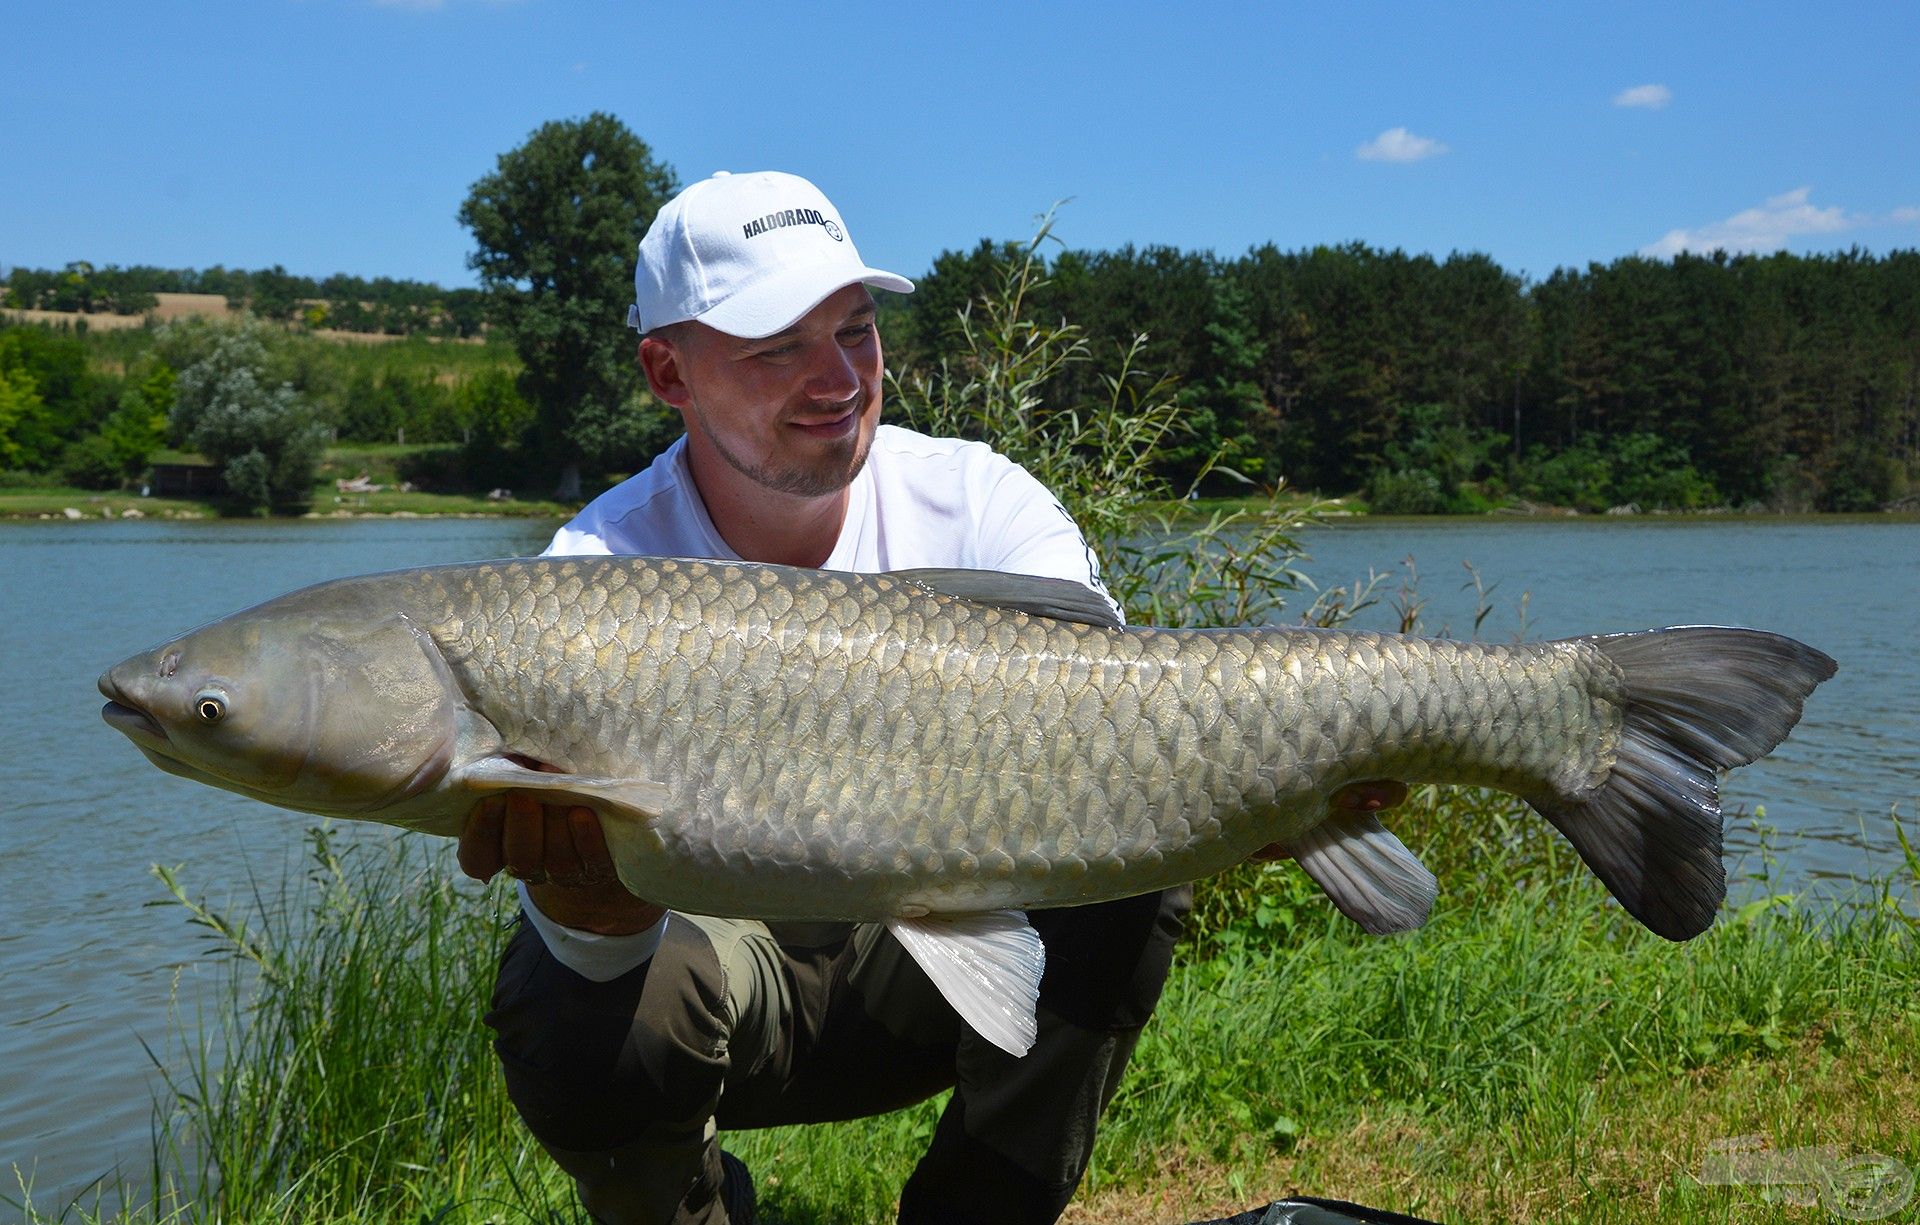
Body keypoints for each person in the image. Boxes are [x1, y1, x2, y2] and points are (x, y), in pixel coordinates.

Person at [457, 170, 1191, 1225]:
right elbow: (587, 927)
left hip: (934, 972)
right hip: (724, 988)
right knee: (561, 986)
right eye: (776, 350)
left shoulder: (981, 502)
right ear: (667, 370)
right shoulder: (588, 575)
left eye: (855, 330)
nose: (838, 378)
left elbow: (1123, 720)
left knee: (1131, 861)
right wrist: (590, 914)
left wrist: (1267, 794)